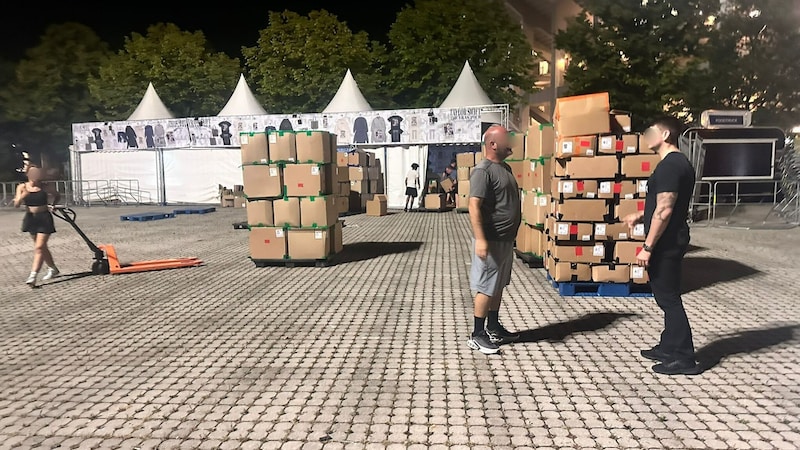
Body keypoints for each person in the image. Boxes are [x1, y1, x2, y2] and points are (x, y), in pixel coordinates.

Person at [623, 116, 698, 375]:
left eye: (650, 131)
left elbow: (665, 210)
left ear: (665, 135)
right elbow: (665, 206)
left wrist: (648, 246)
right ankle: (669, 346)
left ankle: (684, 357)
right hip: (671, 238)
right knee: (664, 295)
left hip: (666, 243)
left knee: (669, 298)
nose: (646, 136)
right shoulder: (677, 163)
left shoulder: (670, 165)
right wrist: (639, 215)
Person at [467, 125, 522, 354]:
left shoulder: (505, 167)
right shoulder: (483, 171)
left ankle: (494, 327)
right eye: (505, 138)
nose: (511, 141)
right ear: (493, 144)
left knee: (498, 285)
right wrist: (480, 239)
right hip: (491, 239)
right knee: (486, 287)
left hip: (505, 240)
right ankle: (477, 334)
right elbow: (474, 205)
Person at [13, 165, 61, 287]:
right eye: (33, 173)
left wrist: (53, 205)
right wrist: (23, 196)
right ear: (28, 174)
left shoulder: (44, 186)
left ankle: (33, 276)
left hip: (44, 217)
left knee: (39, 247)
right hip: (31, 219)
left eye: (37, 173)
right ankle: (53, 268)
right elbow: (16, 204)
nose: (35, 175)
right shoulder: (22, 187)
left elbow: (57, 195)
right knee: (42, 248)